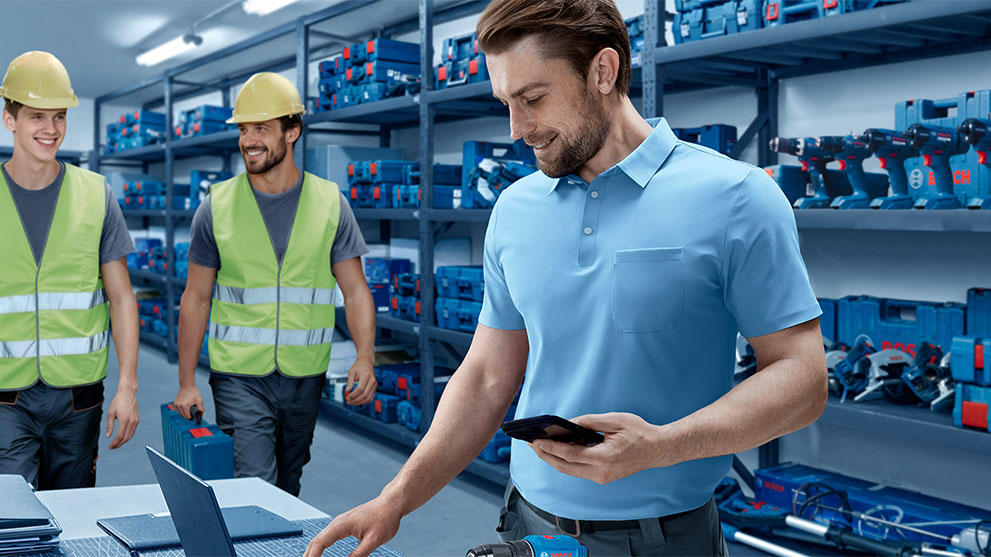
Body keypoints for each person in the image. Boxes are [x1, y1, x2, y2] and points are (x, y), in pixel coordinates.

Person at [306, 0, 827, 554]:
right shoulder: (514, 208)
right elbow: (486, 377)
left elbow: (803, 380)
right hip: (525, 524)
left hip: (662, 540)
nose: (517, 128)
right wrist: (396, 498)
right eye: (506, 103)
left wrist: (661, 446)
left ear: (602, 71)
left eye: (533, 98)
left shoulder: (737, 198)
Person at [174, 72, 377, 497]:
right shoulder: (216, 206)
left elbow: (355, 289)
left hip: (306, 374)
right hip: (238, 374)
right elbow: (196, 298)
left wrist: (365, 356)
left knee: (288, 484)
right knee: (254, 486)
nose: (249, 140)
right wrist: (187, 380)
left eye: (261, 128)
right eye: (243, 129)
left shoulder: (330, 203)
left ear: (292, 132)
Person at [0, 51, 140, 490]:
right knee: (13, 521)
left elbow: (121, 298)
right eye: (37, 116)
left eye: (59, 117)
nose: (51, 129)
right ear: (10, 119)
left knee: (73, 518)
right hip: (6, 398)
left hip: (79, 397)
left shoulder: (96, 193)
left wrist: (128, 386)